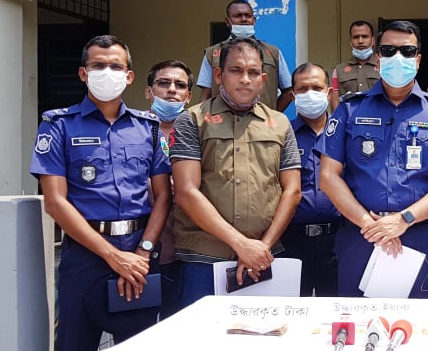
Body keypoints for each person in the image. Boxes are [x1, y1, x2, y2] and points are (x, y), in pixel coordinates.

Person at [31, 35, 171, 351]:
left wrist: (142, 252)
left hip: (139, 260)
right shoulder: (58, 125)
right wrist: (113, 255)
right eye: (97, 65)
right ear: (83, 73)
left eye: (115, 66)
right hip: (85, 260)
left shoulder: (147, 128)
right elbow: (55, 201)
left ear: (129, 76)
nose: (106, 73)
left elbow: (162, 196)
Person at [319, 20, 428, 298]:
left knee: (417, 322)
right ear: (378, 60)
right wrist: (369, 224)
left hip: (419, 235)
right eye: (389, 51)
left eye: (407, 51)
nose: (398, 57)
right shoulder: (350, 109)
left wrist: (404, 219)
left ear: (418, 60)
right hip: (361, 236)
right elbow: (328, 176)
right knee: (358, 320)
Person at [170, 37, 302, 307]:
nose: (245, 79)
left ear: (263, 79)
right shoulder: (192, 120)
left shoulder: (280, 123)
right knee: (202, 334)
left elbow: (293, 190)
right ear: (219, 75)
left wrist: (261, 247)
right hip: (204, 259)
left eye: (253, 72)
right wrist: (241, 244)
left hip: (264, 257)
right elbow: (186, 192)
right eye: (236, 70)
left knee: (265, 332)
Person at [285, 62, 341, 296]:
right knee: (294, 309)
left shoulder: (345, 133)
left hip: (338, 241)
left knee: (338, 310)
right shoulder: (283, 134)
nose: (310, 94)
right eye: (303, 89)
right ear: (293, 95)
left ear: (328, 92)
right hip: (293, 241)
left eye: (317, 88)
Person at [144, 59, 194, 319]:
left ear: (189, 96)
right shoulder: (132, 131)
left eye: (180, 85)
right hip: (144, 253)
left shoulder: (200, 135)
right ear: (149, 92)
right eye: (163, 83)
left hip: (189, 254)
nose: (172, 89)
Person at [195, 0, 293, 111]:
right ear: (228, 22)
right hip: (222, 120)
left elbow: (288, 91)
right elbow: (205, 94)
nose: (244, 19)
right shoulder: (212, 53)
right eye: (238, 16)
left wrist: (272, 115)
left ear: (254, 20)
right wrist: (204, 117)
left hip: (261, 120)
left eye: (248, 16)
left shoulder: (272, 52)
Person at [330, 20, 380, 110]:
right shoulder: (338, 70)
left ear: (373, 40)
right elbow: (335, 107)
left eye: (365, 36)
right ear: (350, 41)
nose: (360, 41)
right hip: (348, 119)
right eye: (356, 37)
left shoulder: (384, 66)